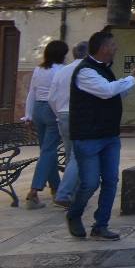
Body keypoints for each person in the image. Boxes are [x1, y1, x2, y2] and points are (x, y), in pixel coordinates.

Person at [66, 30, 135, 241]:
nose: (115, 48)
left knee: (110, 181)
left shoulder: (104, 69)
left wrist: (129, 83)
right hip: (89, 137)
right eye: (112, 45)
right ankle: (74, 214)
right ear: (102, 48)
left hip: (109, 136)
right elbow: (106, 91)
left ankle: (101, 225)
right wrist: (131, 77)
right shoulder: (85, 71)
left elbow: (114, 93)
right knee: (90, 183)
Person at [22, 39, 68, 209]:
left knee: (46, 152)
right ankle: (33, 192)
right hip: (52, 110)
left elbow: (31, 93)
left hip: (38, 111)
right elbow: (59, 94)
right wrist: (58, 114)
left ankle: (56, 188)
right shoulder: (62, 70)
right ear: (62, 55)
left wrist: (28, 115)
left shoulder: (39, 69)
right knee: (48, 151)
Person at [49, 41, 89, 208]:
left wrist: (59, 114)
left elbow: (51, 97)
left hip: (63, 116)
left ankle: (71, 193)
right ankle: (67, 193)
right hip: (80, 116)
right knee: (79, 156)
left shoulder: (62, 71)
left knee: (70, 154)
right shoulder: (88, 70)